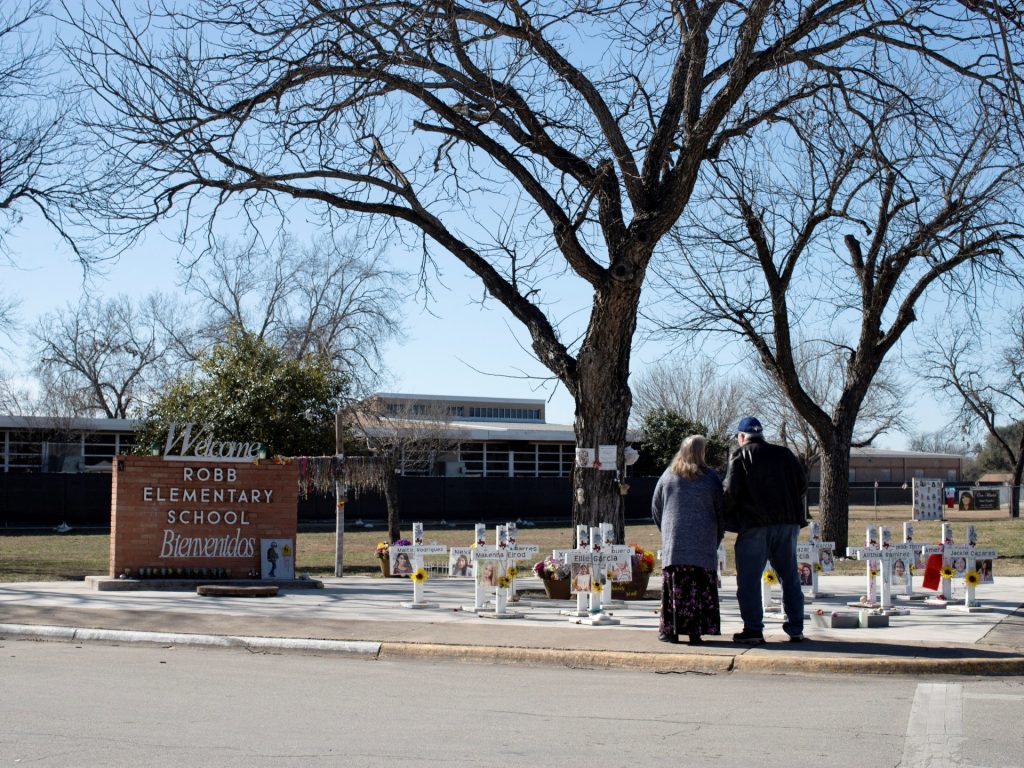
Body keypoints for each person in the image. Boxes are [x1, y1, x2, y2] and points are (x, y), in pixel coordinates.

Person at [723, 416, 808, 644]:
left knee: (749, 579)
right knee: (789, 576)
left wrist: (724, 518)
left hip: (755, 525)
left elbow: (731, 492)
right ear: (761, 434)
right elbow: (802, 484)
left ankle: (753, 629)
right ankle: (796, 628)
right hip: (788, 524)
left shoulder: (740, 455)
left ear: (742, 437)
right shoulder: (785, 454)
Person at [652, 434, 725, 646]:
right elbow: (720, 512)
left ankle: (670, 631)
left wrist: (666, 531)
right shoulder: (711, 479)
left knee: (674, 588)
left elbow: (656, 508)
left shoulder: (668, 476)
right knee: (699, 588)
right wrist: (717, 536)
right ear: (701, 453)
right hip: (703, 544)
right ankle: (696, 632)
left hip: (675, 545)